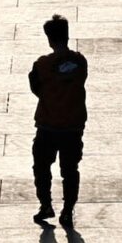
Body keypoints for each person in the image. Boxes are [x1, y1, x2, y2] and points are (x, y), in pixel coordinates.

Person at [28, 15, 88, 227]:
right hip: (73, 127)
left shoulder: (42, 65)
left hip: (48, 126)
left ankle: (46, 205)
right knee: (70, 170)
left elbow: (36, 88)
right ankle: (68, 211)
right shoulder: (80, 62)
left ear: (49, 39)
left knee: (42, 167)